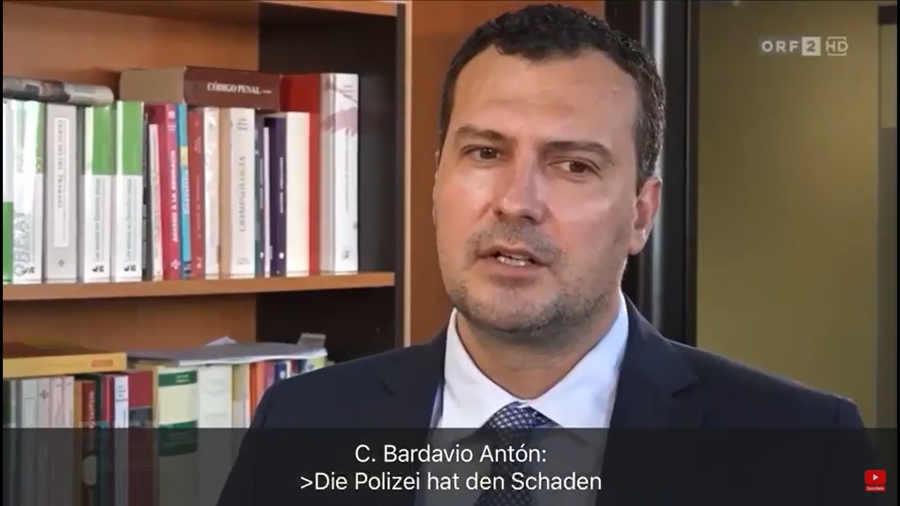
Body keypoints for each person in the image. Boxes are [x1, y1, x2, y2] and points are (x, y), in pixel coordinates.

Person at [217, 5, 880, 506]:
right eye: (485, 152)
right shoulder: (298, 423)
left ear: (640, 214)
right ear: (436, 182)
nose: (516, 202)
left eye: (574, 165)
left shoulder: (805, 449)